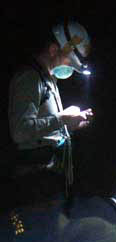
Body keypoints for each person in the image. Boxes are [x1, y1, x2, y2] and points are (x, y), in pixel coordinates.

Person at [7, 20, 93, 207]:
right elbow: (20, 131)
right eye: (69, 61)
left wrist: (70, 125)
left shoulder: (49, 79)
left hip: (51, 182)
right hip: (33, 184)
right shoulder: (29, 78)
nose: (70, 68)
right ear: (54, 50)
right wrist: (62, 118)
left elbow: (45, 129)